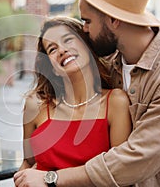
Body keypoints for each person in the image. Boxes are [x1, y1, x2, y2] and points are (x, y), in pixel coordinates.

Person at [14, 0, 160, 186]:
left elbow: (136, 159)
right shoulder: (112, 60)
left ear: (113, 20)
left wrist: (51, 179)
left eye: (87, 21)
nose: (85, 30)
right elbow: (29, 164)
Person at [15, 17, 131, 186]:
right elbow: (28, 164)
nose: (61, 50)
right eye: (52, 49)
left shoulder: (116, 102)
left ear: (86, 44)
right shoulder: (36, 105)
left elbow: (119, 175)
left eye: (68, 39)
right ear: (51, 66)